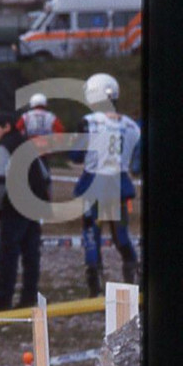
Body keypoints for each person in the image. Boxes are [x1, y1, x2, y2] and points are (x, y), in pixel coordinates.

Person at [68, 73, 141, 295]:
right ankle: (135, 279)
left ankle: (95, 286)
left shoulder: (88, 123)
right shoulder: (132, 126)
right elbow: (135, 159)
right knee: (121, 235)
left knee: (92, 234)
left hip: (94, 183)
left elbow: (76, 156)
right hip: (118, 184)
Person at [0, 111, 50, 311]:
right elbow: (45, 176)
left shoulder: (3, 147)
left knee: (8, 255)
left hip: (14, 207)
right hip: (34, 205)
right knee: (31, 255)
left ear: (6, 127)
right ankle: (29, 297)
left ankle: (2, 300)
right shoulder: (28, 145)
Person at [16, 91, 65, 197]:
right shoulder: (51, 117)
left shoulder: (26, 116)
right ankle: (47, 194)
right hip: (44, 150)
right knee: (45, 174)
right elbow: (60, 132)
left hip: (29, 149)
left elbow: (17, 130)